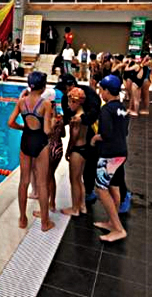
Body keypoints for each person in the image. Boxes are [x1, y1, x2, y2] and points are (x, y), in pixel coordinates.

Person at [7, 72, 55, 232]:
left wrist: (22, 128)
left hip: (26, 140)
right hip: (40, 142)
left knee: (24, 181)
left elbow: (10, 122)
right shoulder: (46, 104)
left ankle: (22, 218)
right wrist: (54, 123)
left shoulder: (21, 102)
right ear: (43, 86)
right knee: (42, 183)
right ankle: (45, 223)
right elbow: (47, 130)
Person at [90, 75, 130, 242]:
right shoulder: (122, 108)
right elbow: (124, 131)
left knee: (101, 189)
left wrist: (95, 138)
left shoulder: (106, 109)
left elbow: (105, 134)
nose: (99, 92)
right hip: (121, 152)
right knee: (114, 187)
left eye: (101, 89)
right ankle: (112, 223)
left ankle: (119, 229)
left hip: (110, 154)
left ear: (106, 91)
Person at [57, 74, 102, 205]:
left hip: (89, 136)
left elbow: (94, 113)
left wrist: (68, 151)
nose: (63, 94)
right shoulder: (67, 99)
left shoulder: (90, 95)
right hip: (82, 139)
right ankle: (83, 202)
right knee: (79, 176)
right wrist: (62, 121)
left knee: (80, 175)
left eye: (64, 89)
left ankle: (85, 196)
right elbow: (68, 117)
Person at [61, 87, 89, 217]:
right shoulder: (84, 115)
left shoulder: (76, 119)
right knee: (80, 179)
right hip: (85, 148)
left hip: (77, 150)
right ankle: (82, 206)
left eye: (70, 101)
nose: (68, 104)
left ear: (77, 102)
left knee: (74, 180)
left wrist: (68, 151)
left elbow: (73, 138)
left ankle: (75, 208)